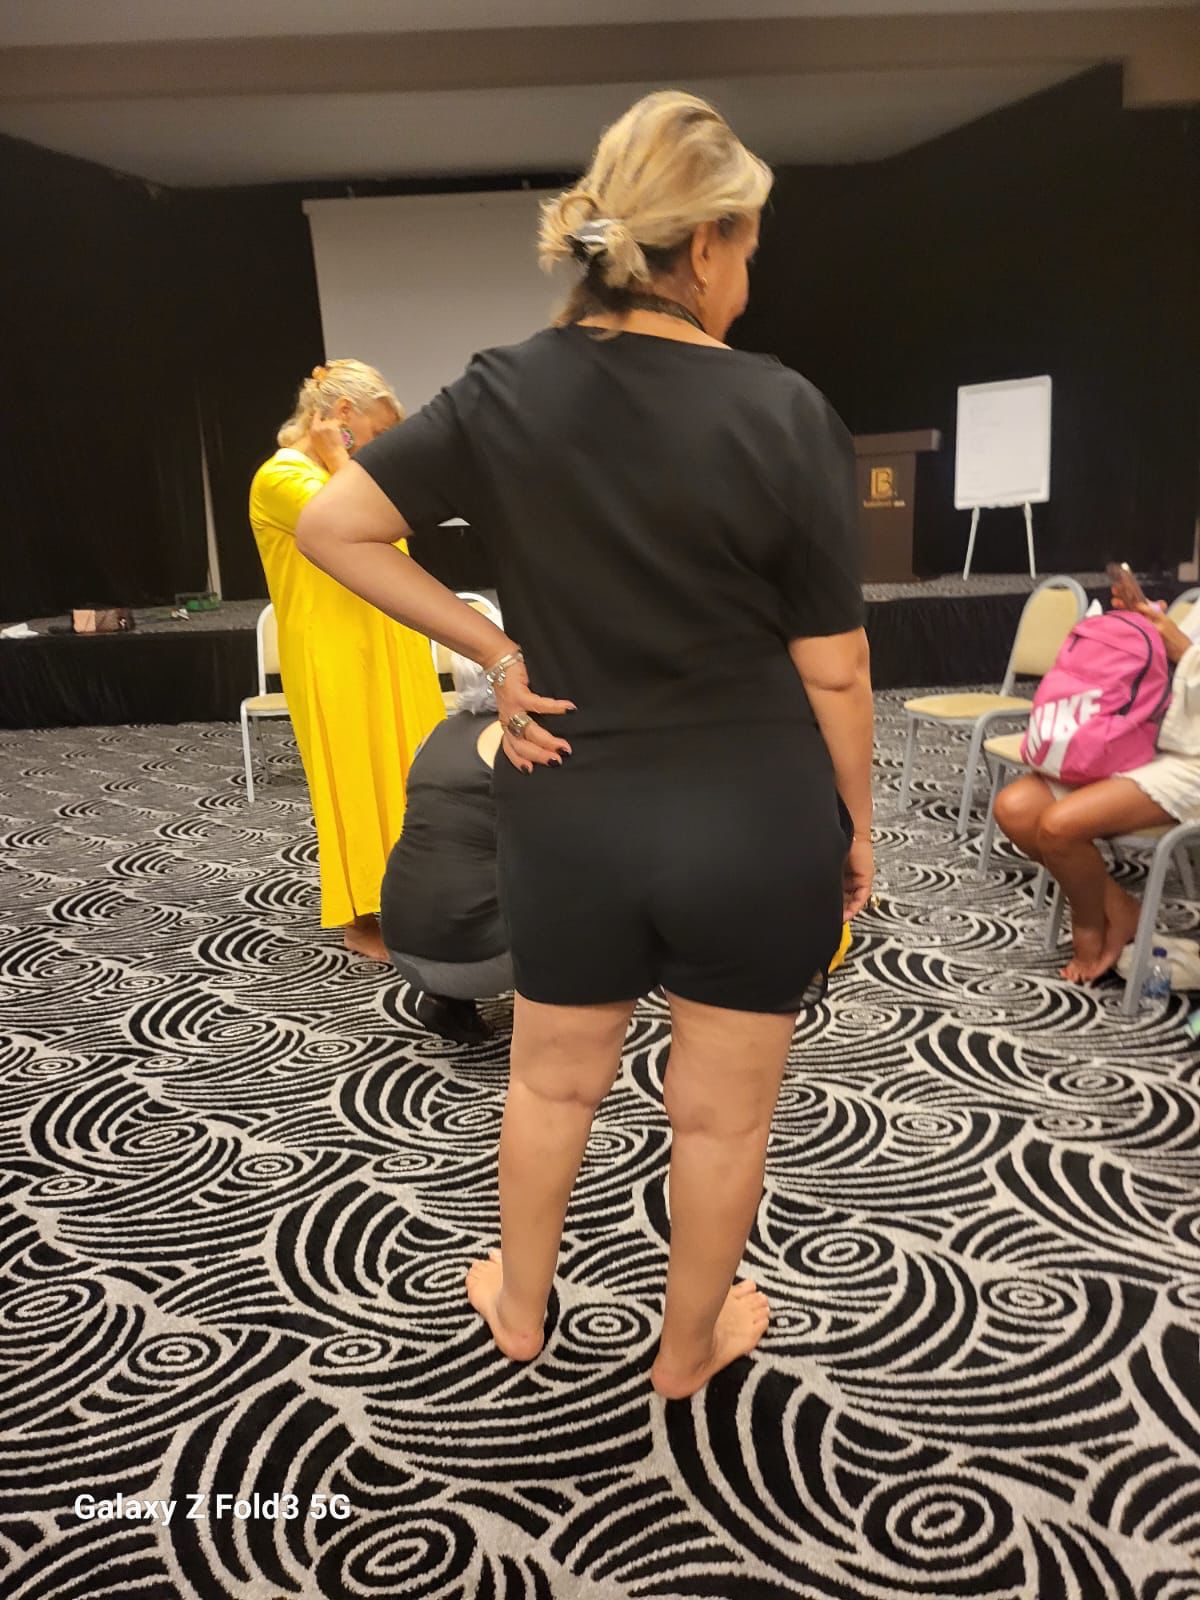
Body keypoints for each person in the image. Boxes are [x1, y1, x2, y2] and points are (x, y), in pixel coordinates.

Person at [296, 91, 874, 1399]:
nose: (749, 272)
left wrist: (495, 655)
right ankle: (687, 1348)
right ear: (708, 243)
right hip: (754, 816)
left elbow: (335, 529)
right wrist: (857, 827)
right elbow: (836, 668)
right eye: (750, 245)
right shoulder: (784, 407)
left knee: (552, 1089)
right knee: (720, 1118)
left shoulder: (504, 388)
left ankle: (518, 1306)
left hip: (571, 804)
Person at [248, 361, 446, 961]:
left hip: (388, 638)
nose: (383, 446)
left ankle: (416, 894)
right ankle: (358, 918)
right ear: (340, 415)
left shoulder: (340, 475)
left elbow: (394, 537)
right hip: (333, 654)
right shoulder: (281, 477)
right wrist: (340, 459)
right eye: (378, 432)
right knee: (352, 780)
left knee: (411, 771)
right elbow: (354, 524)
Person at [995, 592, 1200, 983]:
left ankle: (1088, 925)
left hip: (1192, 763)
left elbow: (1186, 660)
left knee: (1058, 827)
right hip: (1155, 739)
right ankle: (1121, 909)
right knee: (1015, 809)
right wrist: (1145, 627)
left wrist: (1183, 651)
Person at [381, 648, 513, 1045]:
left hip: (401, 945)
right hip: (478, 957)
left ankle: (448, 1002)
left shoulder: (434, 735)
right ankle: (567, 1014)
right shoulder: (518, 741)